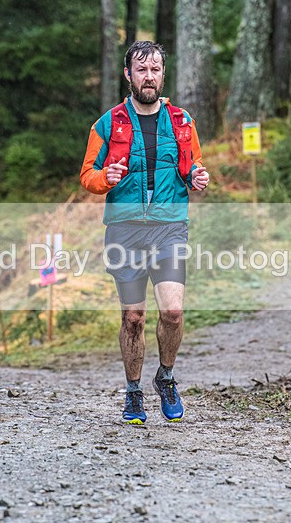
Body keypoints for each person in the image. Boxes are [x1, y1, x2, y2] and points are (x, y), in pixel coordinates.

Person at [80, 40, 210, 424]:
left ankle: (165, 378)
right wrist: (107, 177)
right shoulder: (107, 123)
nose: (148, 76)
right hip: (125, 231)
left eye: (155, 69)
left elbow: (193, 165)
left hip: (169, 228)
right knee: (133, 317)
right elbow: (87, 175)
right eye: (141, 70)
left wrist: (197, 176)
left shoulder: (183, 122)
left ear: (162, 74)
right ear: (129, 75)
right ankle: (134, 392)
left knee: (172, 310)